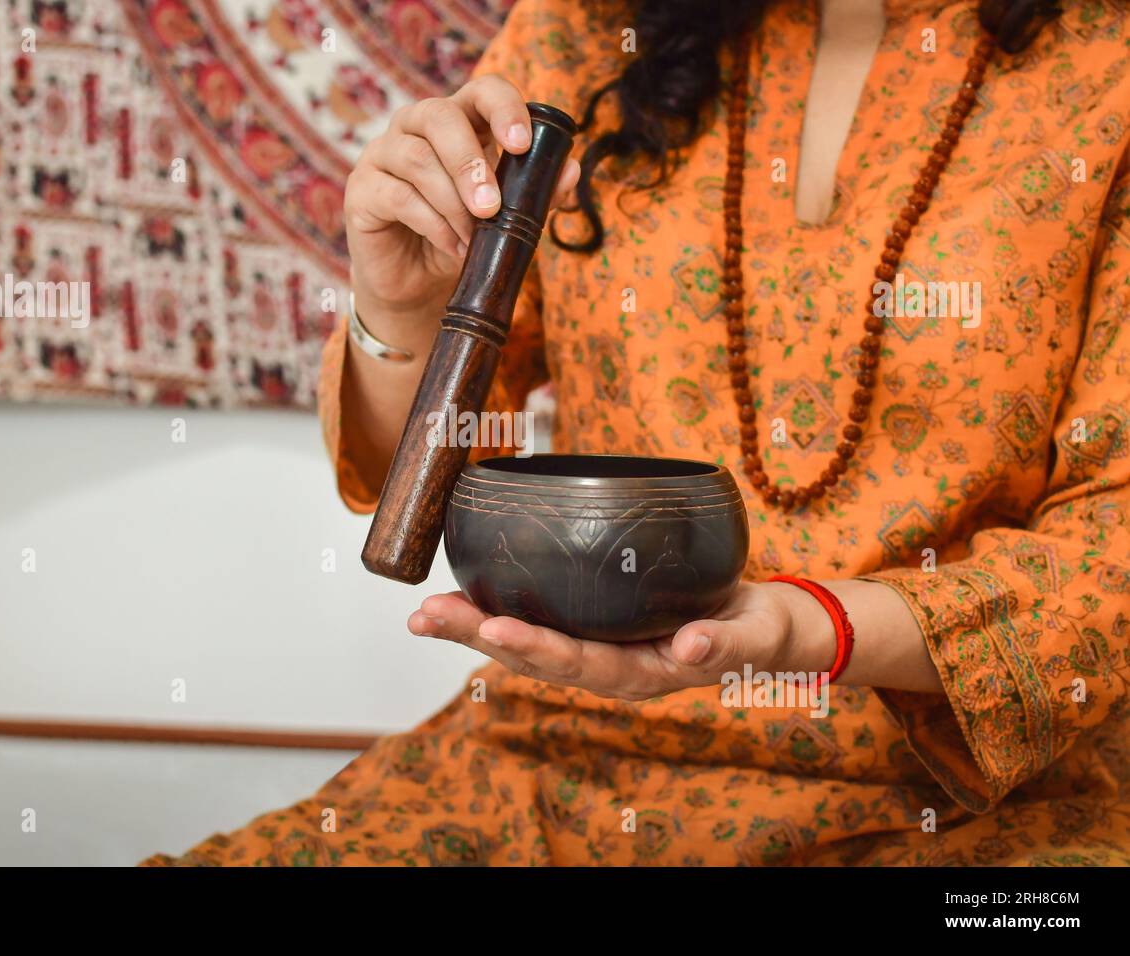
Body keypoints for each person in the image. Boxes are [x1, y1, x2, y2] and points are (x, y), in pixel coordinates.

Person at [145, 0, 1130, 866]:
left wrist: (801, 627)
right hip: (561, 761)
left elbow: (1110, 564)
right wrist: (401, 311)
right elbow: (428, 469)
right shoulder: (585, 32)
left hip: (971, 797)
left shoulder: (1104, 63)